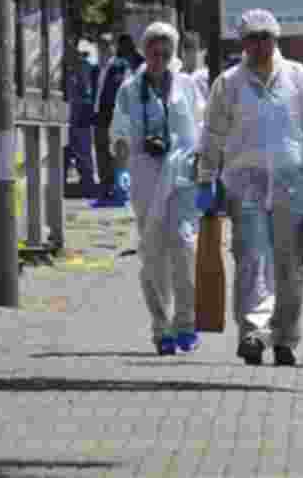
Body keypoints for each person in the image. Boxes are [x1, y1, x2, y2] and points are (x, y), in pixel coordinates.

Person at [196, 8, 303, 367]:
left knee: (291, 264)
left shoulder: (297, 77)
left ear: (276, 39)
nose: (259, 45)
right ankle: (254, 333)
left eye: (265, 37)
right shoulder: (228, 84)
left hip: (292, 185)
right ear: (242, 43)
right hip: (245, 185)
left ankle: (285, 338)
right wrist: (206, 178)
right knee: (252, 258)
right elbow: (212, 135)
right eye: (252, 39)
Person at [109, 22, 205, 356]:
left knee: (184, 245)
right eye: (153, 50)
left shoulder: (188, 85)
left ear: (173, 52)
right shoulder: (130, 89)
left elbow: (202, 126)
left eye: (166, 51)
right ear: (145, 51)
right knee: (152, 255)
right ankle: (161, 328)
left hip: (181, 176)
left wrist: (206, 170)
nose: (160, 56)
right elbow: (119, 130)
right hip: (146, 176)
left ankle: (186, 323)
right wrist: (121, 163)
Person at [93, 33, 134, 206]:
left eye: (107, 45)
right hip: (99, 117)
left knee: (118, 155)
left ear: (113, 47)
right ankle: (105, 191)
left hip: (115, 116)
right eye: (101, 45)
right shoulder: (96, 68)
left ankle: (120, 192)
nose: (104, 49)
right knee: (101, 154)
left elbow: (126, 89)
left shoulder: (120, 65)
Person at [64, 42, 97, 193]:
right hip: (69, 119)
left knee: (82, 153)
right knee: (68, 152)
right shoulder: (67, 70)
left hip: (79, 117)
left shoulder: (84, 68)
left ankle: (88, 184)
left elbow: (86, 92)